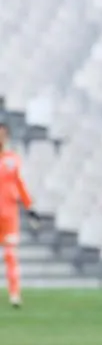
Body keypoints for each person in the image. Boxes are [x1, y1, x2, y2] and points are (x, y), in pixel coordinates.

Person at [0, 122, 39, 308]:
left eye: (3, 134)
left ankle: (14, 295)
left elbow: (20, 185)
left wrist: (29, 207)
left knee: (10, 255)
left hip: (8, 215)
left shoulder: (13, 159)